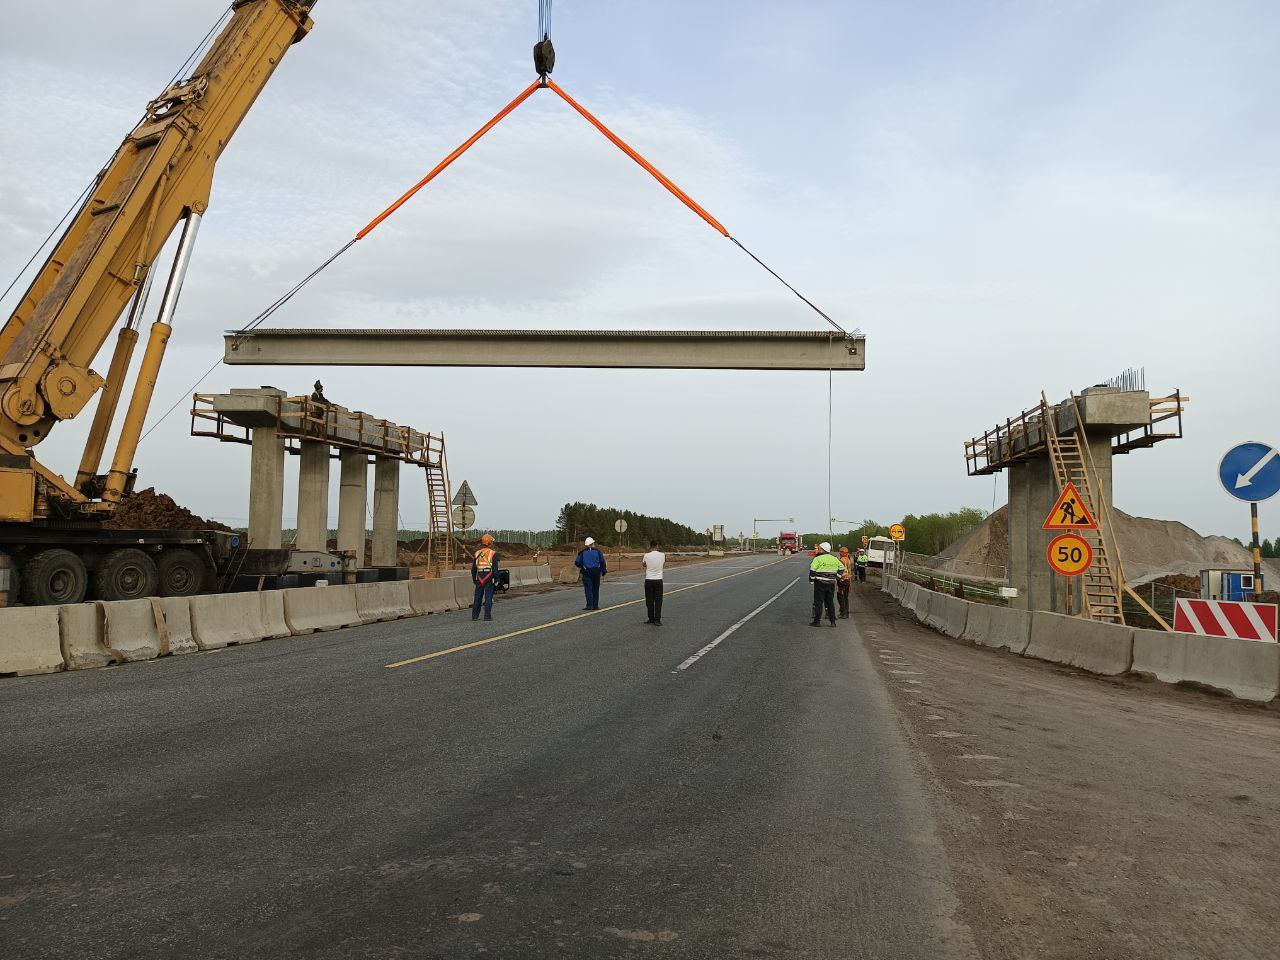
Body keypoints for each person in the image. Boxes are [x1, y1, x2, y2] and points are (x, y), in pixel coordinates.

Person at [809, 541, 841, 627]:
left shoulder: (818, 559)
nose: (818, 550)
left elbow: (812, 570)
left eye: (820, 548)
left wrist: (812, 580)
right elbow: (842, 568)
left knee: (818, 602)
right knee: (830, 602)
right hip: (831, 583)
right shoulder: (834, 559)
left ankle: (817, 621)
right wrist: (836, 577)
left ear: (823, 549)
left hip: (820, 583)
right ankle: (833, 622)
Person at [471, 534, 500, 621]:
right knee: (488, 597)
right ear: (490, 543)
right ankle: (487, 616)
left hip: (479, 577)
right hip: (489, 576)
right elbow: (495, 568)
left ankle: (474, 616)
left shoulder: (477, 553)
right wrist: (497, 579)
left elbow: (473, 569)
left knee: (477, 597)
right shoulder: (493, 553)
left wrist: (474, 579)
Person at [575, 536, 607, 610]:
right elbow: (602, 562)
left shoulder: (582, 553)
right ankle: (595, 606)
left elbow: (577, 562)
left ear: (586, 544)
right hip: (596, 572)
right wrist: (603, 570)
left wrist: (582, 567)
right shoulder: (598, 552)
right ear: (592, 543)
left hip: (587, 573)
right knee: (595, 589)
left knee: (588, 589)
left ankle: (589, 605)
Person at [642, 539, 665, 625]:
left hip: (648, 580)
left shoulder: (646, 555)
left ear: (650, 546)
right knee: (658, 601)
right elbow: (663, 564)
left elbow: (644, 564)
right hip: (658, 580)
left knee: (649, 600)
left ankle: (651, 618)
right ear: (657, 546)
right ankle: (657, 620)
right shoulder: (662, 555)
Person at [836, 546, 853, 618]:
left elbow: (841, 571)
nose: (840, 553)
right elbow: (849, 571)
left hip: (842, 580)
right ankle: (846, 612)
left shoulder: (842, 560)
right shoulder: (848, 560)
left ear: (843, 553)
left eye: (841, 552)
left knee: (840, 597)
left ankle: (843, 613)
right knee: (845, 597)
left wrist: (838, 578)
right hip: (847, 580)